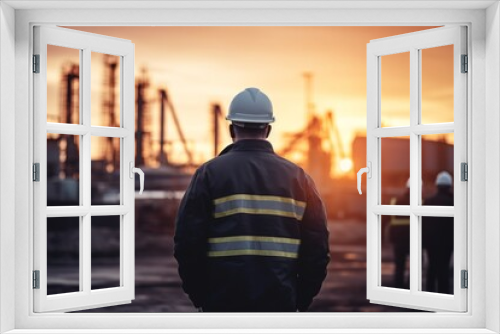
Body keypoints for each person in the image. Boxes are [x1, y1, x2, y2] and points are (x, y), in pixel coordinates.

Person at [174, 87, 330, 312]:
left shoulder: (208, 174)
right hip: (280, 303)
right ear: (268, 129)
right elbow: (317, 250)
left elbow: (187, 243)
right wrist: (299, 299)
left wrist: (202, 297)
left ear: (231, 128)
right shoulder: (299, 178)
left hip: (222, 303)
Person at [422, 171, 454, 294]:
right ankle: (443, 295)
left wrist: (423, 242)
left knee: (432, 269)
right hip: (447, 243)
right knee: (444, 270)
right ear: (449, 186)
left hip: (431, 244)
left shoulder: (428, 202)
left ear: (437, 185)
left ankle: (430, 295)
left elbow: (423, 224)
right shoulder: (453, 203)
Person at [387, 179, 410, 289]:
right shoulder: (420, 202)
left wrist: (384, 237)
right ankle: (412, 286)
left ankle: (398, 286)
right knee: (414, 266)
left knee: (399, 265)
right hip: (412, 239)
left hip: (398, 239)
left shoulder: (395, 201)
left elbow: (385, 220)